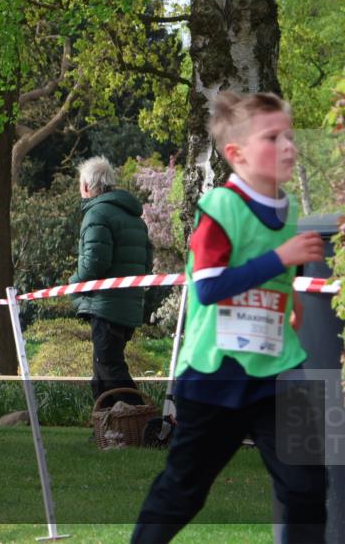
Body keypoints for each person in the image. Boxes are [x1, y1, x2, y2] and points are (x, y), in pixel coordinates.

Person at [132, 92, 327, 542]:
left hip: (279, 374)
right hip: (215, 374)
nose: (289, 146)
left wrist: (290, 300)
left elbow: (279, 278)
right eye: (273, 137)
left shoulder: (291, 208)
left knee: (307, 486)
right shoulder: (220, 206)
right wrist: (282, 258)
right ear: (236, 154)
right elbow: (210, 286)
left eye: (291, 136)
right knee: (184, 490)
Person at [69, 156, 153, 407]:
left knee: (109, 367)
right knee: (101, 367)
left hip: (107, 304)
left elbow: (94, 263)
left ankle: (143, 418)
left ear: (86, 186)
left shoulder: (96, 213)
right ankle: (103, 427)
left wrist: (72, 284)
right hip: (129, 303)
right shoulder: (135, 219)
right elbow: (147, 264)